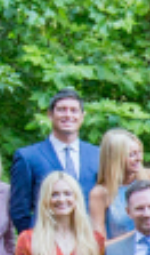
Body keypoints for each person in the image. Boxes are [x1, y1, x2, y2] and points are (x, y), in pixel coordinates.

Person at [9, 88, 98, 236]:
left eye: (74, 110)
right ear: (50, 115)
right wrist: (33, 241)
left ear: (82, 116)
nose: (68, 115)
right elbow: (19, 210)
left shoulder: (98, 155)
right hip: (45, 244)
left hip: (89, 242)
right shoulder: (28, 157)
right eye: (61, 110)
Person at [89, 128, 150, 238]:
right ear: (115, 158)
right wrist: (138, 236)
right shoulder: (100, 193)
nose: (139, 159)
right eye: (132, 154)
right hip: (119, 252)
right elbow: (100, 245)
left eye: (139, 153)